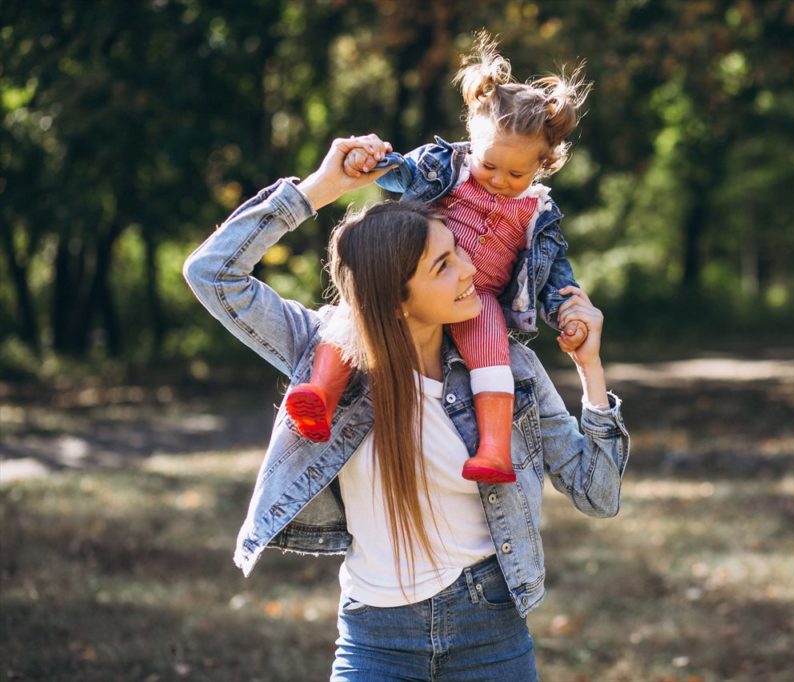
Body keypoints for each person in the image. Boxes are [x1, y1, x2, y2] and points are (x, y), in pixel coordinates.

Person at [182, 135, 630, 680]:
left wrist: (590, 369)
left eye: (460, 251)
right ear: (396, 294)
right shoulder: (326, 350)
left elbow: (598, 493)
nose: (471, 272)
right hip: (374, 641)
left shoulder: (507, 371)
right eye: (444, 264)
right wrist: (322, 187)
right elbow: (212, 274)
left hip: (490, 632)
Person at [283, 33, 592, 487]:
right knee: (361, 308)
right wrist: (374, 163)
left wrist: (566, 312)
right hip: (422, 271)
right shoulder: (445, 165)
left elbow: (555, 277)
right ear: (472, 139)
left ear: (543, 164)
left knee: (493, 351)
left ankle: (492, 449)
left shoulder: (540, 213)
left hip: (477, 296)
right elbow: (402, 174)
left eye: (517, 173)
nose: (499, 180)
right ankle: (320, 393)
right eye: (490, 166)